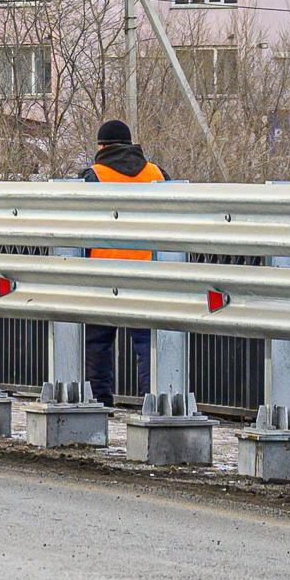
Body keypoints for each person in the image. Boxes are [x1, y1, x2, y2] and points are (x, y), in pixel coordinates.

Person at [80, 119, 165, 407]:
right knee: (147, 344)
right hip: (148, 272)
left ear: (101, 146)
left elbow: (79, 228)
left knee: (98, 344)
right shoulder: (157, 174)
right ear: (131, 145)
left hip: (103, 273)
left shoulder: (94, 176)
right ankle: (152, 403)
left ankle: (100, 402)